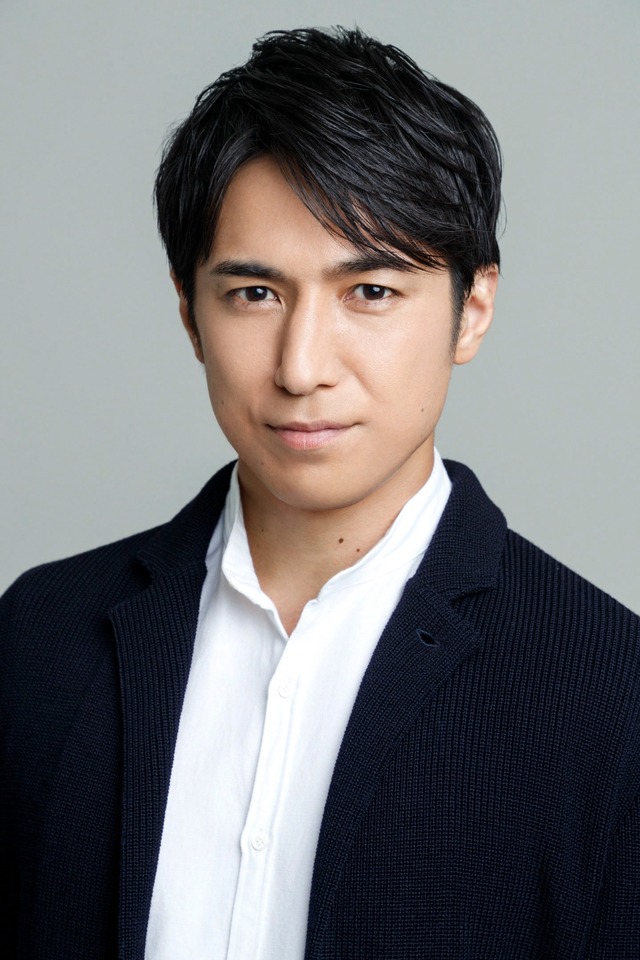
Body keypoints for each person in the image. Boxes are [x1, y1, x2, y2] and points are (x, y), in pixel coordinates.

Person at [1, 25, 639, 960]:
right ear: (190, 314)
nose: (301, 368)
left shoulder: (609, 694)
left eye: (370, 292)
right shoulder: (39, 638)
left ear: (472, 309)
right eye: (254, 295)